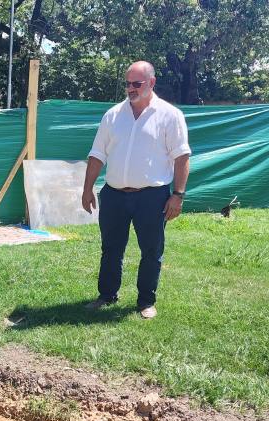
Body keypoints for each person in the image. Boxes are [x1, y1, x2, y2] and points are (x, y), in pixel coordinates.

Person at [81, 61, 190, 319]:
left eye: (136, 84)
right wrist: (87, 189)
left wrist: (178, 195)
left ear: (151, 83)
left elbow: (182, 157)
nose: (131, 88)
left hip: (152, 197)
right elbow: (97, 155)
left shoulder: (169, 115)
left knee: (152, 250)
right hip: (114, 194)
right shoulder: (113, 115)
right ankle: (107, 295)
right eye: (128, 83)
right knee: (111, 248)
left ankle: (145, 302)